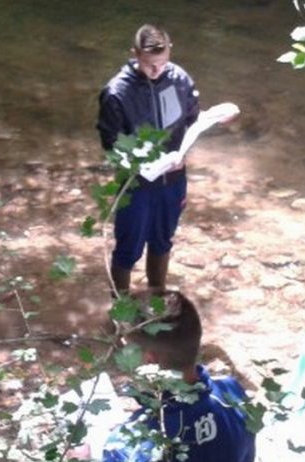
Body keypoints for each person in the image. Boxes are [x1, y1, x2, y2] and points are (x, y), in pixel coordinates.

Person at [87, 291, 256, 462]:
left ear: (149, 360)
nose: (120, 356)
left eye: (124, 347)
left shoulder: (130, 450)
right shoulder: (234, 396)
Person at [97, 24, 201, 293]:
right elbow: (111, 143)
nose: (157, 71)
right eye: (149, 64)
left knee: (162, 240)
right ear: (135, 54)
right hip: (136, 184)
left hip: (174, 179)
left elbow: (192, 120)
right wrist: (137, 164)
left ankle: (157, 296)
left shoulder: (179, 79)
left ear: (170, 50)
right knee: (128, 247)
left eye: (162, 63)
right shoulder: (117, 93)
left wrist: (187, 148)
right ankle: (120, 309)